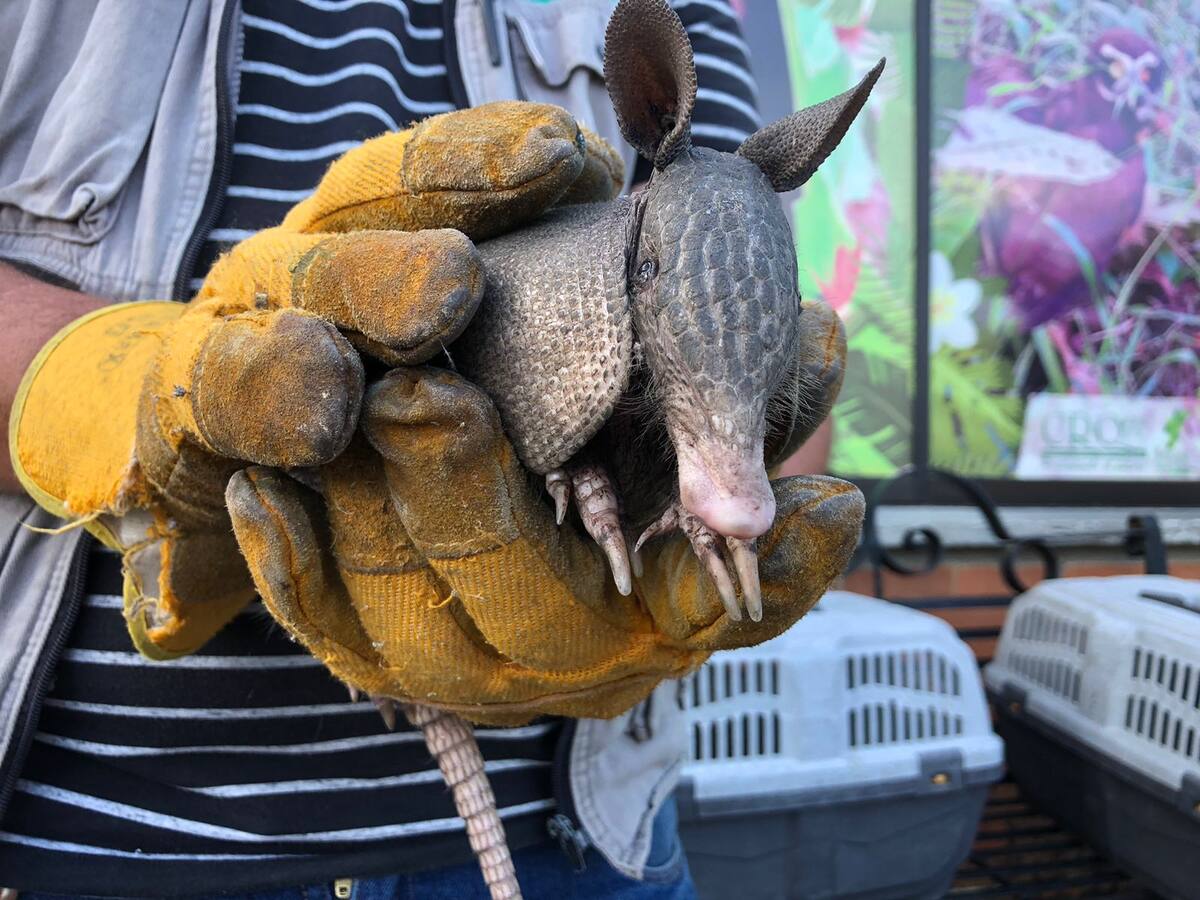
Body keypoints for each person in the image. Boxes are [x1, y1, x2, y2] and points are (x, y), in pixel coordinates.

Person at [0, 2, 768, 898]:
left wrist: (691, 474)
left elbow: (757, 323)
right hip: (96, 841)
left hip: (581, 841)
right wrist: (118, 384)